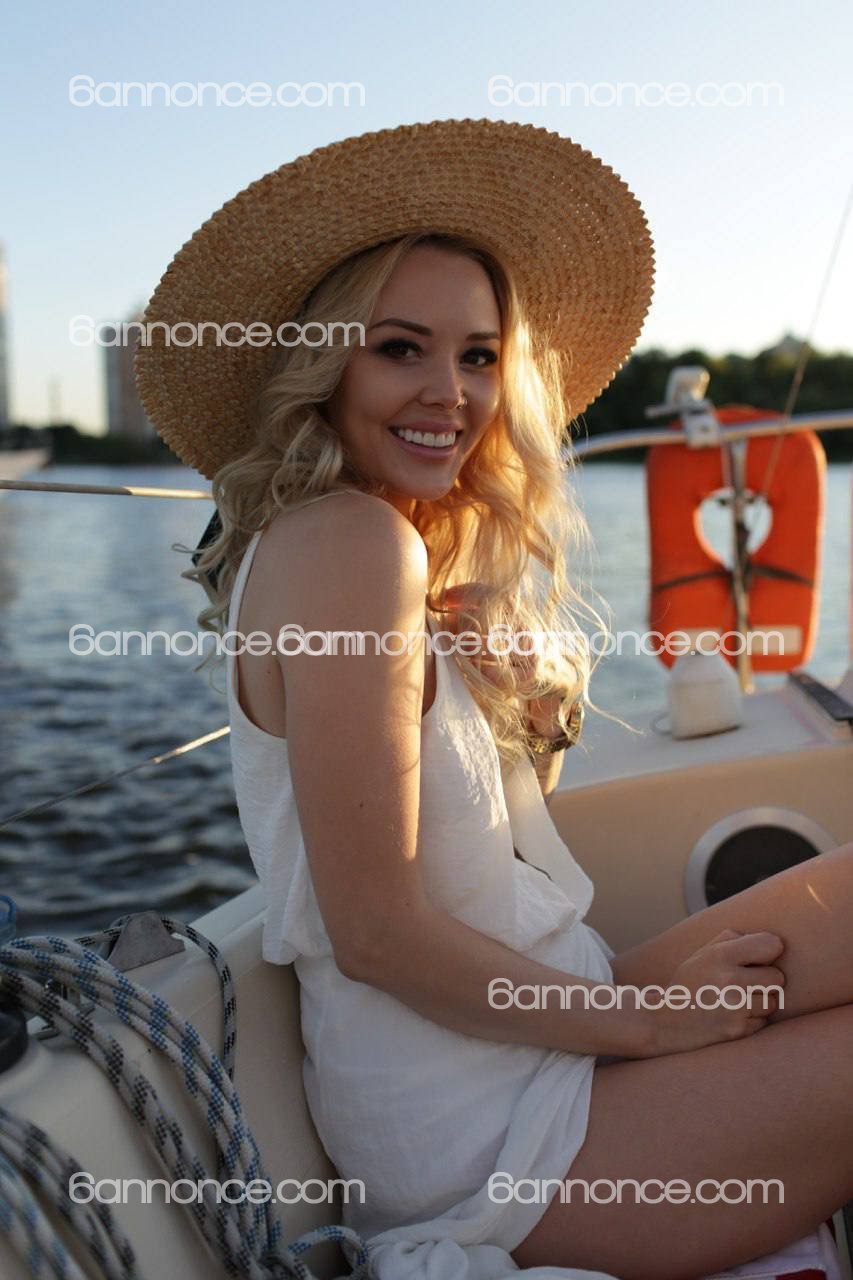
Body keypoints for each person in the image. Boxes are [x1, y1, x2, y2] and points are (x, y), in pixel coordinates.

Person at [136, 120, 853, 1280]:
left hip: (548, 1017)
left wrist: (529, 709)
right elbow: (375, 932)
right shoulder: (350, 547)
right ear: (328, 365)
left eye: (477, 355)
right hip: (490, 1137)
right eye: (401, 349)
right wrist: (649, 1025)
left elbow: (481, 858)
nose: (450, 392)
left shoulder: (379, 546)